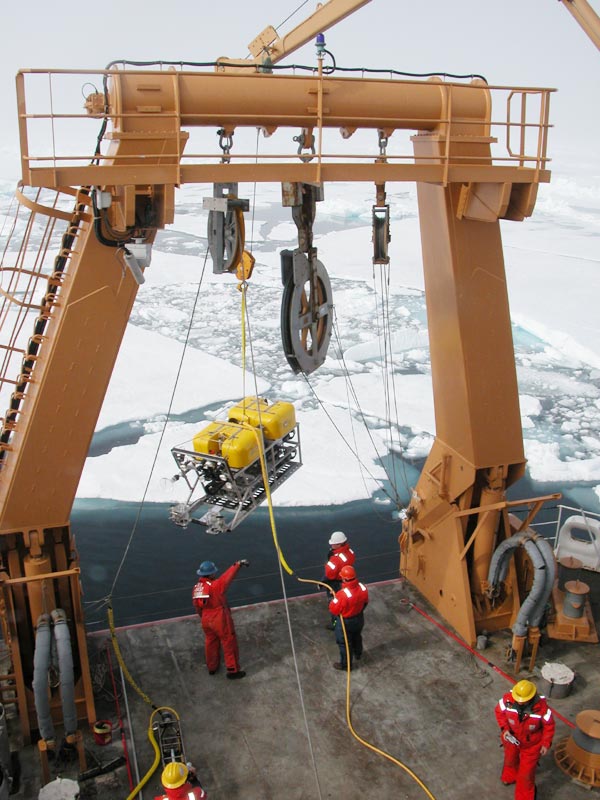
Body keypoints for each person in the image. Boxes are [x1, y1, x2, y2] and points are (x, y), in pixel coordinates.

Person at [494, 679, 555, 800]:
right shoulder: (507, 701)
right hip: (511, 738)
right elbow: (499, 713)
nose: (519, 703)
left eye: (523, 701)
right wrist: (504, 729)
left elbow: (549, 726)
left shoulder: (542, 709)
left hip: (532, 744)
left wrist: (545, 743)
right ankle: (510, 776)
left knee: (526, 773)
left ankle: (525, 796)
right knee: (510, 759)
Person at [192, 559, 249, 679]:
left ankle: (212, 667)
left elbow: (197, 607)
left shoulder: (197, 588)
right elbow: (227, 577)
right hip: (219, 617)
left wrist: (204, 617)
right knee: (229, 642)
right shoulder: (216, 585)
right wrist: (237, 565)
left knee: (210, 642)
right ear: (211, 573)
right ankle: (233, 670)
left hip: (206, 619)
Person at [328, 565, 369, 671]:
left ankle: (346, 665)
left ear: (344, 578)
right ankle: (358, 653)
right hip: (359, 618)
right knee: (357, 636)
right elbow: (365, 602)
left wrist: (334, 599)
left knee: (344, 644)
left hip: (345, 622)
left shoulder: (342, 595)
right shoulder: (362, 587)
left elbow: (333, 609)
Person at [322, 530, 355, 629]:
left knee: (334, 602)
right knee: (346, 602)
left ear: (340, 544)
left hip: (335, 583)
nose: (331, 545)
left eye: (334, 544)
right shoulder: (350, 552)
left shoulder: (335, 559)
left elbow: (329, 574)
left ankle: (336, 624)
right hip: (346, 580)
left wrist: (322, 582)